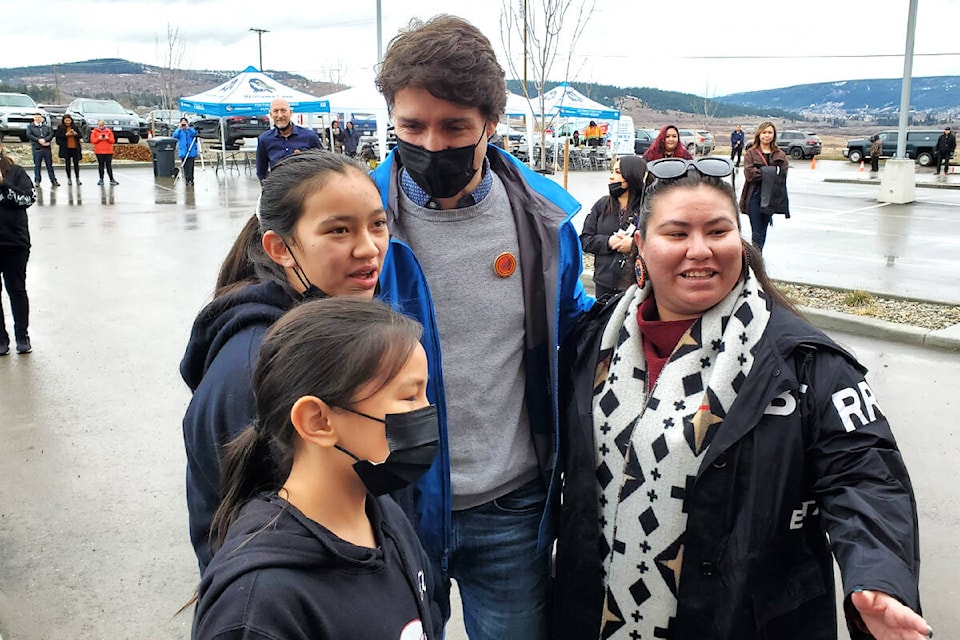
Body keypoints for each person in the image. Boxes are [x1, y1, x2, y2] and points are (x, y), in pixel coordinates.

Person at [553, 156, 930, 640]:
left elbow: (865, 475)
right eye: (676, 233)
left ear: (740, 239)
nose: (700, 250)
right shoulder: (590, 343)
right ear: (640, 247)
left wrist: (880, 578)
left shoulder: (802, 362)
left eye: (717, 231)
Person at [371, 15, 593, 639]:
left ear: (491, 124)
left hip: (511, 510)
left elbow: (573, 327)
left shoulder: (544, 221)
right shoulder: (358, 222)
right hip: (392, 502)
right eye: (412, 126)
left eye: (454, 127)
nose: (431, 145)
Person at [180, 150, 389, 571]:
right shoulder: (256, 367)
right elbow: (261, 533)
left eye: (377, 224)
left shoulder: (320, 329)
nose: (368, 248)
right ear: (280, 247)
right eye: (339, 230)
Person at [191, 297, 441, 640]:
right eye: (410, 397)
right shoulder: (260, 605)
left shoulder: (385, 518)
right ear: (318, 421)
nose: (427, 411)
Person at [580, 155, 646, 299]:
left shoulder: (647, 208)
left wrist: (634, 245)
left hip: (636, 286)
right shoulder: (602, 205)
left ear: (631, 176)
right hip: (604, 283)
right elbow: (585, 240)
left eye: (617, 172)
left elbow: (658, 242)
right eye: (612, 172)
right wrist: (608, 242)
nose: (611, 177)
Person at [0, 142, 37, 355]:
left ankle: (22, 336)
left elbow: (28, 199)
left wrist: (4, 184)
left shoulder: (16, 172)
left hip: (15, 243)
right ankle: (1, 339)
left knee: (17, 290)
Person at [739, 121, 788, 251]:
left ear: (774, 135)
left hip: (771, 197)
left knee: (763, 231)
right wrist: (771, 172)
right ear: (759, 134)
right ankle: (756, 261)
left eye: (770, 132)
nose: (767, 135)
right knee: (756, 232)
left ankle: (756, 259)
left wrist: (762, 171)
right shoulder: (751, 153)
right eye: (764, 132)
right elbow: (750, 175)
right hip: (754, 195)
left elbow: (782, 175)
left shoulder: (780, 155)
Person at [255, 98, 322, 182]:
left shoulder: (310, 137)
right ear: (271, 115)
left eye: (283, 111)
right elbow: (261, 172)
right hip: (279, 191)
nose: (280, 115)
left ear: (290, 113)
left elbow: (322, 165)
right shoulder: (264, 139)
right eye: (276, 111)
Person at [26, 113, 59, 187]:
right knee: (37, 165)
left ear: (41, 118)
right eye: (36, 117)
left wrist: (45, 140)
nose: (38, 119)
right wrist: (38, 140)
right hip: (37, 148)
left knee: (49, 165)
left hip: (46, 148)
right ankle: (37, 180)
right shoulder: (30, 127)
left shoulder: (46, 127)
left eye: (39, 117)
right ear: (34, 118)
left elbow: (51, 134)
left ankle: (53, 180)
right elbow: (29, 135)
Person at [55, 114, 83, 185]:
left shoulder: (75, 126)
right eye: (66, 120)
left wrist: (75, 134)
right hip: (66, 148)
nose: (68, 122)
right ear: (63, 121)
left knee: (76, 164)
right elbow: (58, 138)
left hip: (75, 148)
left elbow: (80, 135)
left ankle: (77, 178)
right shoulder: (61, 127)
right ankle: (69, 178)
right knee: (67, 164)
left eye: (69, 120)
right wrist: (65, 135)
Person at [172, 117, 200, 186]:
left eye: (185, 123)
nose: (184, 125)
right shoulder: (179, 131)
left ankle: (191, 179)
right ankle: (187, 179)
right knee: (185, 166)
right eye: (182, 123)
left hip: (191, 151)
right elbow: (175, 135)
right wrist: (179, 128)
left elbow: (195, 134)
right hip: (183, 152)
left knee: (191, 166)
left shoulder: (190, 130)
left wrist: (188, 128)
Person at [90, 120, 118, 186]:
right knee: (101, 165)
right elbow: (93, 141)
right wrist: (98, 138)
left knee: (109, 166)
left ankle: (111, 179)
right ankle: (101, 179)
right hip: (99, 151)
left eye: (102, 125)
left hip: (108, 151)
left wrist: (107, 138)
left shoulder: (108, 131)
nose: (101, 127)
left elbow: (112, 141)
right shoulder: (94, 132)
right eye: (100, 125)